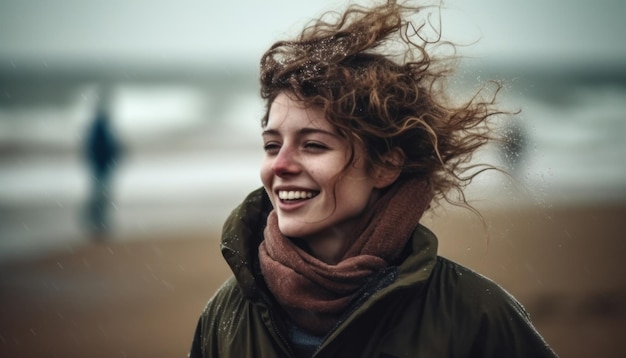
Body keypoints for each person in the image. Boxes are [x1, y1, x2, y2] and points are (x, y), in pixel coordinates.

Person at [190, 1, 557, 357]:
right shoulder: (225, 318)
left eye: (314, 145)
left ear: (386, 166)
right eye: (272, 145)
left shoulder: (476, 316)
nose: (280, 165)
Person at [84, 91, 122, 240]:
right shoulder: (100, 127)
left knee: (101, 196)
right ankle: (98, 225)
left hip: (102, 166)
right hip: (101, 167)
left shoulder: (101, 127)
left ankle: (99, 225)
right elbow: (98, 147)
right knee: (101, 196)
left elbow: (97, 147)